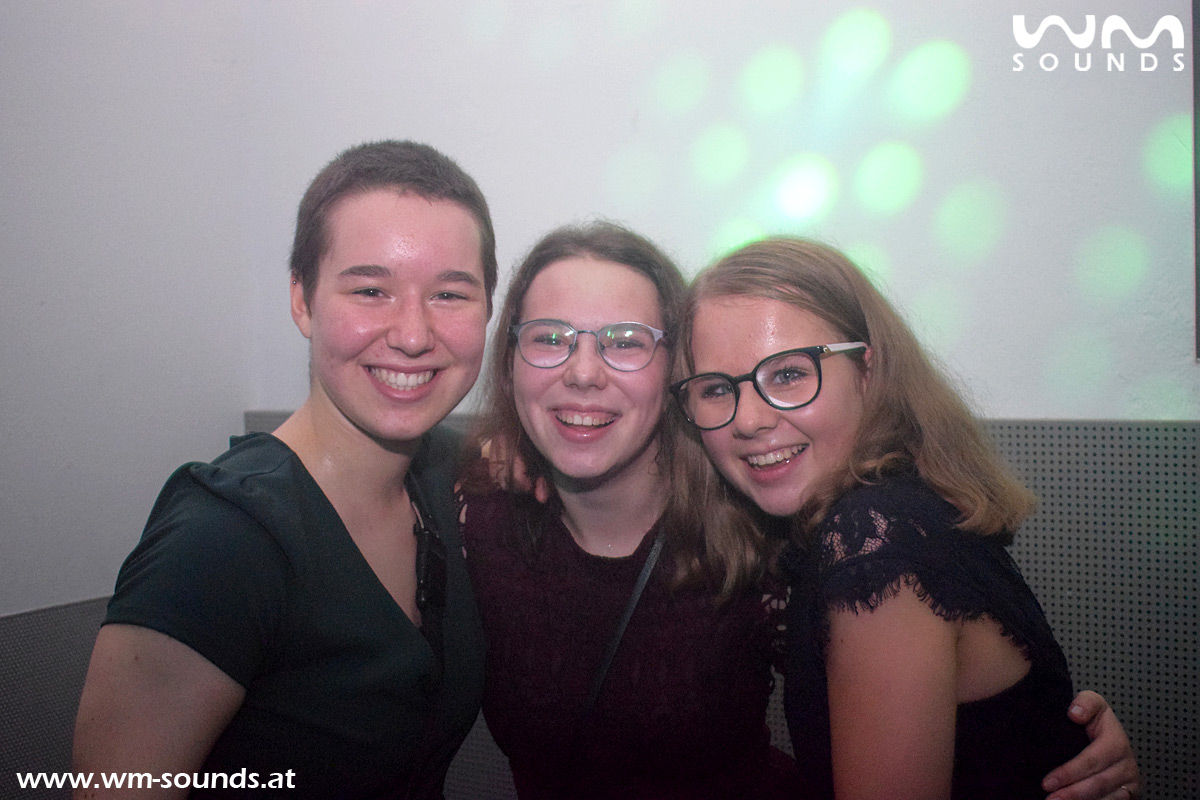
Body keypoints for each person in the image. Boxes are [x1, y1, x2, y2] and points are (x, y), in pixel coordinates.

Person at [73, 140, 496, 798]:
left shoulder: (444, 479)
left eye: (449, 294)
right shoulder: (220, 542)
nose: (413, 334)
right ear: (302, 299)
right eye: (370, 290)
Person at [670, 237, 1141, 800]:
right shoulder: (876, 511)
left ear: (867, 372)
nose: (748, 419)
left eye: (789, 375)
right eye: (716, 389)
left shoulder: (874, 538)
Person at [459, 221, 794, 799]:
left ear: (676, 369)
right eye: (549, 338)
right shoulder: (474, 517)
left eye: (625, 342)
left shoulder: (756, 531)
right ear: (511, 361)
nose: (583, 373)